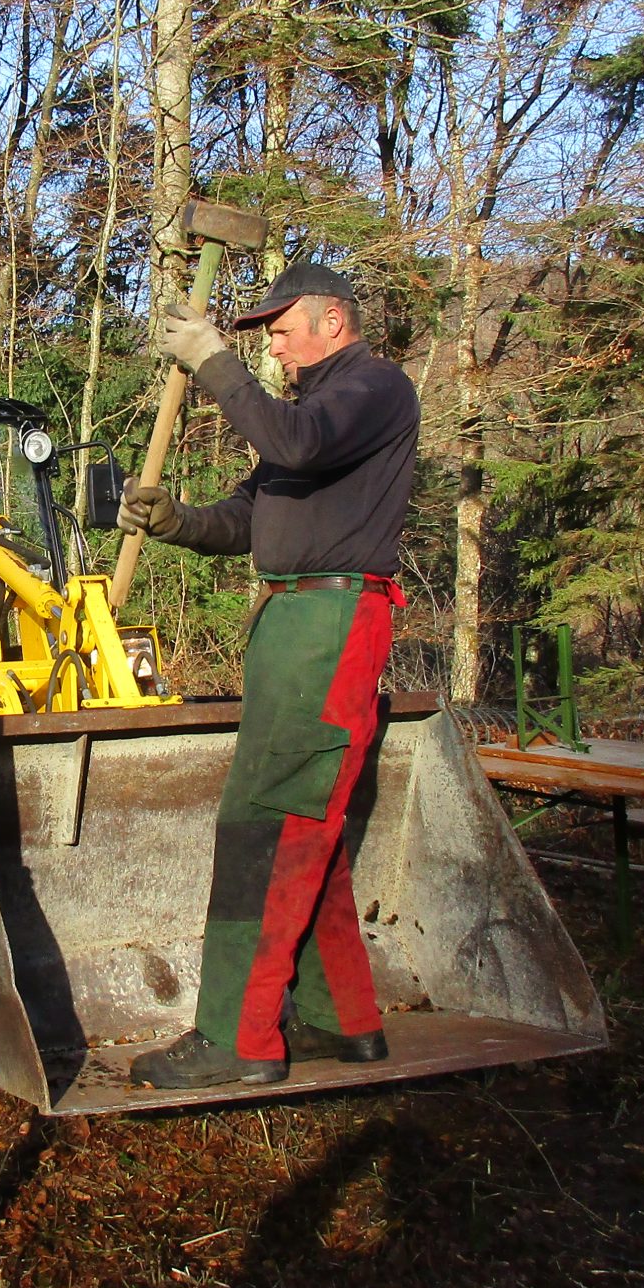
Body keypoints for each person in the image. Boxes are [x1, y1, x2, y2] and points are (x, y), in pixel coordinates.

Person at [117, 261, 421, 1089]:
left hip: (332, 625)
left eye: (280, 330)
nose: (275, 348)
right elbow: (250, 516)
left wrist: (214, 360)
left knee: (266, 824)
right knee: (303, 821)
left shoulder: (373, 389)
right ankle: (339, 1019)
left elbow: (295, 442)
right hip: (294, 622)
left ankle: (235, 1038)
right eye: (264, 338)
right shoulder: (313, 413)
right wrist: (177, 520)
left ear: (332, 319)